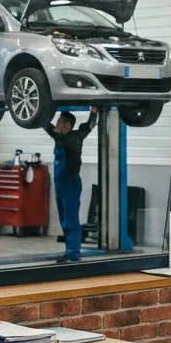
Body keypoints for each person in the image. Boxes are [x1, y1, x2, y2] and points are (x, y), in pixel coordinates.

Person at [43, 108, 98, 262]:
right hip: (59, 183)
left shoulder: (72, 138)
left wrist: (94, 111)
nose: (56, 124)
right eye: (58, 121)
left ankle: (73, 254)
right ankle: (69, 251)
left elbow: (89, 126)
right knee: (63, 219)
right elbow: (89, 125)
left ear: (67, 126)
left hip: (70, 184)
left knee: (70, 220)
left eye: (60, 122)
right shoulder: (61, 136)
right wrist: (93, 113)